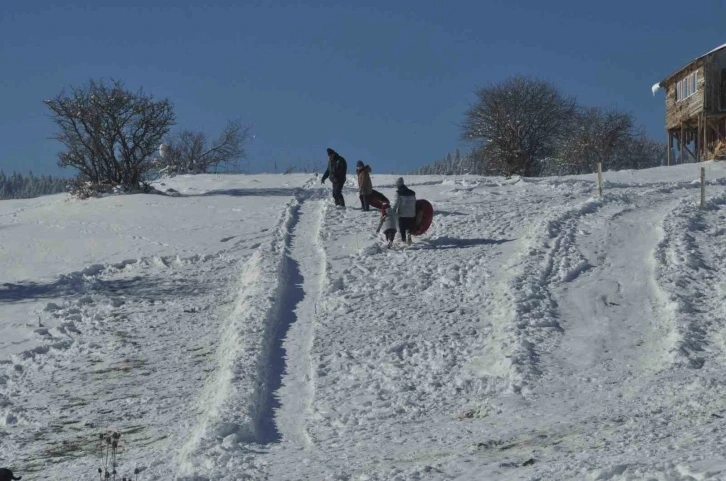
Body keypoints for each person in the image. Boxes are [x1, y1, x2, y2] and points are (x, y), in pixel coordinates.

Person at [391, 177, 416, 245]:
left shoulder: (398, 193)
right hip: (412, 214)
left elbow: (396, 203)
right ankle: (409, 233)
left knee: (402, 227)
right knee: (409, 226)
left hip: (402, 214)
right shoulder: (412, 192)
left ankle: (404, 240)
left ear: (398, 185)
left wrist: (392, 211)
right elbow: (414, 203)